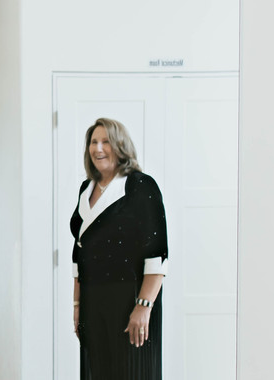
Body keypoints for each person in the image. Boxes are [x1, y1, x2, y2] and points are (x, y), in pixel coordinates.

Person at [71, 118, 167, 379]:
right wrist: (77, 305)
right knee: (99, 372)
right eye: (93, 142)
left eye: (106, 142)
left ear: (120, 146)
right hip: (93, 300)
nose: (98, 148)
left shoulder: (139, 185)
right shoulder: (85, 189)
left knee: (130, 372)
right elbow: (79, 254)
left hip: (129, 298)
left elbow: (156, 255)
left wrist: (144, 306)